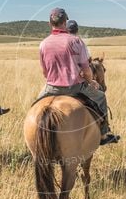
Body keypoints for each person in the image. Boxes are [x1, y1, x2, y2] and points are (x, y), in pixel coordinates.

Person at [37, 8, 119, 145]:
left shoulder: (43, 44)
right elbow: (86, 70)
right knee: (101, 97)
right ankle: (104, 133)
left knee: (35, 107)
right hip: (75, 88)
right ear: (65, 22)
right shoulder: (76, 41)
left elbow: (45, 73)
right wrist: (91, 81)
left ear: (49, 23)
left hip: (51, 88)